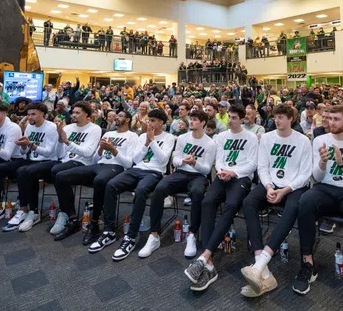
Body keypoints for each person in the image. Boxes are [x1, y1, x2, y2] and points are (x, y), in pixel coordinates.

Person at [293, 106, 343, 307]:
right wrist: (321, 163)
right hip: (325, 189)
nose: (332, 122)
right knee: (305, 201)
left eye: (337, 119)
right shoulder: (320, 141)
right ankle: (308, 262)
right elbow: (316, 177)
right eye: (330, 118)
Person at [240, 104, 312, 298]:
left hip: (294, 187)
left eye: (282, 117)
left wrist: (284, 190)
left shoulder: (303, 141)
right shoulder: (267, 138)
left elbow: (305, 174)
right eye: (275, 117)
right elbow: (262, 167)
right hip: (271, 184)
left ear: (291, 119)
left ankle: (262, 264)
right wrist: (270, 187)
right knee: (248, 203)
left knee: (291, 209)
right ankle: (261, 267)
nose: (277, 120)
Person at [185, 105, 258, 292]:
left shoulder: (250, 138)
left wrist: (233, 172)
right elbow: (219, 158)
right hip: (223, 175)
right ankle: (207, 259)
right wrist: (221, 170)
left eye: (234, 117)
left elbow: (252, 164)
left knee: (231, 205)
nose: (231, 120)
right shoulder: (221, 136)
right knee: (207, 202)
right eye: (230, 117)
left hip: (240, 178)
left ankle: (205, 256)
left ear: (242, 119)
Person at [89, 108, 175, 260]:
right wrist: (146, 142)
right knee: (111, 185)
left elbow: (162, 160)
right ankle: (109, 231)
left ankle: (131, 236)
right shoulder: (142, 136)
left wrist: (153, 142)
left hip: (154, 172)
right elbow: (136, 158)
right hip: (137, 169)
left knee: (141, 190)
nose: (150, 123)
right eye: (149, 120)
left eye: (153, 121)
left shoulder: (169, 137)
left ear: (161, 122)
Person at [138, 110, 216, 259]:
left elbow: (206, 170)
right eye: (191, 119)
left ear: (203, 123)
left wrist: (194, 163)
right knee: (159, 189)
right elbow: (175, 161)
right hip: (180, 172)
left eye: (195, 119)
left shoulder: (210, 143)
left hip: (198, 175)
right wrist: (183, 162)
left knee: (198, 193)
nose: (191, 122)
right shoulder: (182, 138)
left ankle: (192, 234)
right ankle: (154, 235)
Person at [52, 110, 138, 242]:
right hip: (99, 165)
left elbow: (128, 163)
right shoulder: (108, 133)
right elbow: (95, 160)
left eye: (120, 116)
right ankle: (72, 218)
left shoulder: (132, 136)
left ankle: (95, 222)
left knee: (100, 180)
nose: (116, 118)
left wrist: (113, 149)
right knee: (61, 176)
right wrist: (101, 149)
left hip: (117, 167)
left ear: (127, 119)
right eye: (115, 116)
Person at [1, 101, 59, 232]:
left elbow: (50, 151)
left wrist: (31, 145)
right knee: (19, 170)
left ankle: (31, 210)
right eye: (28, 115)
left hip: (49, 161)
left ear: (43, 114)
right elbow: (24, 152)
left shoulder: (51, 127)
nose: (30, 117)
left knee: (25, 171)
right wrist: (23, 146)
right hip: (32, 160)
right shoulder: (29, 127)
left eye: (33, 114)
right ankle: (26, 209)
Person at [47, 102, 102, 234]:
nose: (74, 115)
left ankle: (67, 214)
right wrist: (60, 139)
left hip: (84, 163)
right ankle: (66, 213)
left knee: (57, 172)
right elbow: (60, 154)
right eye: (73, 112)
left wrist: (67, 142)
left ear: (87, 115)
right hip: (66, 162)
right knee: (54, 170)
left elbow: (88, 153)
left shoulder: (94, 129)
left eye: (78, 113)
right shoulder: (69, 128)